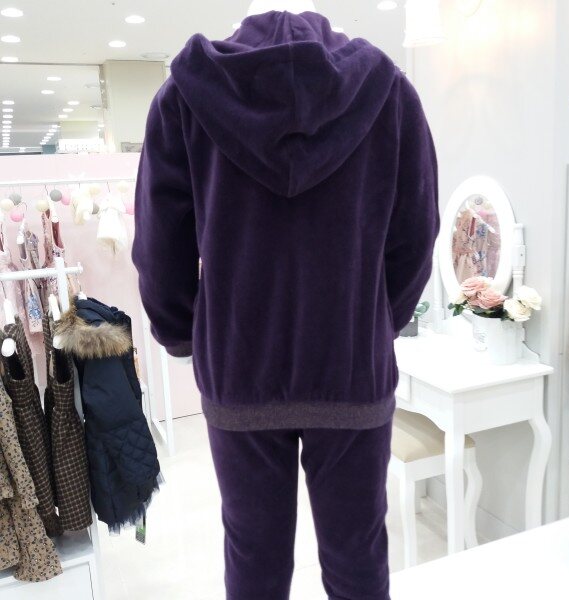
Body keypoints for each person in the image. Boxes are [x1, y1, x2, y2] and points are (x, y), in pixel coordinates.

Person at [133, 10, 439, 600]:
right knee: (358, 562)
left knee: (254, 563)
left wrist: (183, 332)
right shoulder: (389, 94)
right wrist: (376, 321)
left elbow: (159, 242)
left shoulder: (185, 98)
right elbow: (416, 233)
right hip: (351, 365)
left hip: (240, 368)